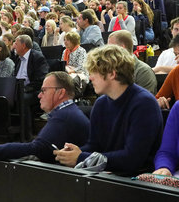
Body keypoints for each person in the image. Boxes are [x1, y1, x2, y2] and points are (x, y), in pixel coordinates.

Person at [53, 45, 163, 175]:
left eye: (94, 72)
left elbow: (132, 159)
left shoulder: (144, 104)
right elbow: (95, 146)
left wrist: (81, 158)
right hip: (108, 176)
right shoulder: (101, 103)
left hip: (137, 182)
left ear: (112, 74)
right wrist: (73, 154)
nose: (90, 78)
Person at [0, 72, 90, 167]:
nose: (39, 95)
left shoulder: (64, 116)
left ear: (60, 93)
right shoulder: (67, 112)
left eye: (44, 90)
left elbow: (35, 149)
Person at [108, 30, 157, 94]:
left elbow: (144, 101)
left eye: (110, 47)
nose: (107, 51)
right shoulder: (110, 70)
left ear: (122, 48)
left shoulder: (143, 72)